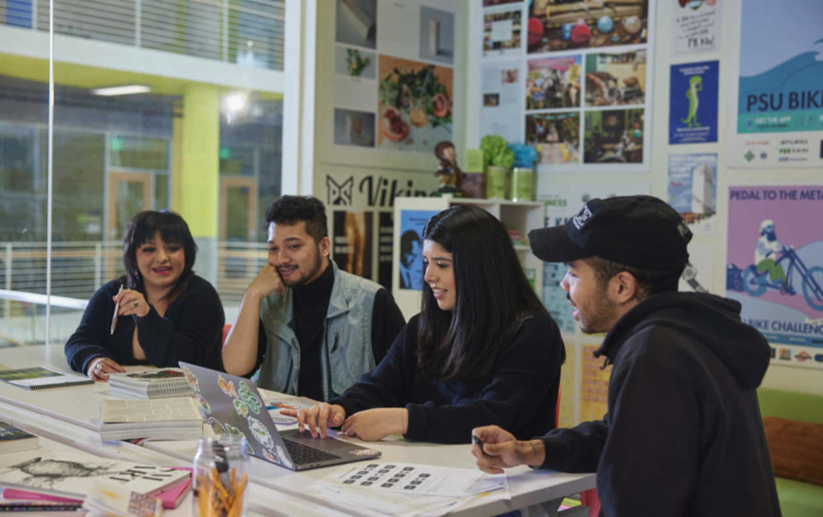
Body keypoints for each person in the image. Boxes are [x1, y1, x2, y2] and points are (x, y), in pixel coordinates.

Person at [472, 195, 780, 517]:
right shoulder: (687, 335)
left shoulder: (654, 355)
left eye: (574, 272)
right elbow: (621, 435)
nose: (563, 284)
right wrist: (529, 450)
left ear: (622, 287)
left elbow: (639, 501)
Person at [285, 205, 565, 444]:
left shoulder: (533, 332)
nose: (429, 276)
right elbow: (380, 385)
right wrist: (339, 408)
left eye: (442, 264)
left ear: (479, 269)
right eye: (426, 263)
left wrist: (402, 419)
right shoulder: (424, 325)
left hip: (505, 481)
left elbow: (490, 417)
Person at [221, 196, 406, 401]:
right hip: (281, 420)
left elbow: (404, 383)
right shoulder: (268, 301)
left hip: (346, 421)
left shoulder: (372, 302)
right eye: (273, 248)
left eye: (293, 246)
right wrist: (252, 294)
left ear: (324, 247)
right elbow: (235, 369)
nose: (281, 259)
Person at [65, 211, 225, 381]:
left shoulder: (203, 296)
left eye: (172, 248)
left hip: (190, 394)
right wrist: (93, 361)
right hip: (118, 392)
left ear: (187, 252)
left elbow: (187, 359)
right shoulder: (112, 293)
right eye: (149, 249)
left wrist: (146, 316)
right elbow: (79, 341)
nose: (162, 258)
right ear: (133, 255)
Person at [755, 218, 789, 289]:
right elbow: (761, 251)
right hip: (761, 263)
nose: (772, 229)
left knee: (778, 265)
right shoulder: (761, 240)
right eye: (769, 227)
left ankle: (785, 284)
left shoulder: (774, 240)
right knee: (770, 262)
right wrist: (771, 250)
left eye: (772, 227)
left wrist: (787, 248)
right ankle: (774, 280)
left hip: (771, 262)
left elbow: (780, 247)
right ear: (764, 229)